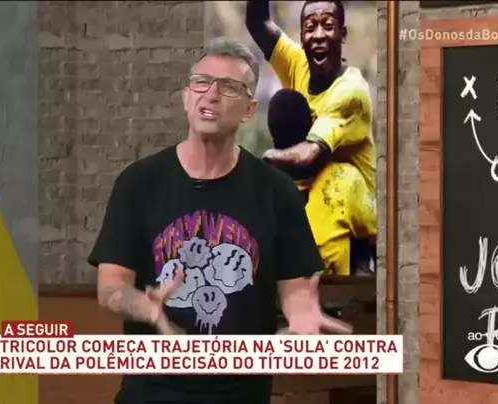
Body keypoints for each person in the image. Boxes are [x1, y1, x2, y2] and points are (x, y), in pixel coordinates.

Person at [88, 37, 352, 404]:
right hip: (150, 394)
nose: (210, 95)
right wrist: (140, 304)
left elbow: (295, 291)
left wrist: (303, 315)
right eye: (201, 82)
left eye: (228, 87)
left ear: (249, 110)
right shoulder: (139, 183)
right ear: (186, 98)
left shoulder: (277, 191)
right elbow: (111, 286)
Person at [245, 0, 377, 275]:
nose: (318, 35)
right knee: (285, 104)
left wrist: (260, 162)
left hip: (350, 203)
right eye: (310, 27)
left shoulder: (351, 92)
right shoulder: (299, 64)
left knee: (335, 178)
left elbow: (309, 156)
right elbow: (258, 23)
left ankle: (347, 267)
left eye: (328, 26)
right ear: (302, 37)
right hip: (306, 186)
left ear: (343, 34)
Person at [267, 89, 376, 276]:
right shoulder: (345, 179)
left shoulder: (260, 191)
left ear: (273, 137)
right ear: (313, 127)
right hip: (337, 291)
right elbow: (378, 233)